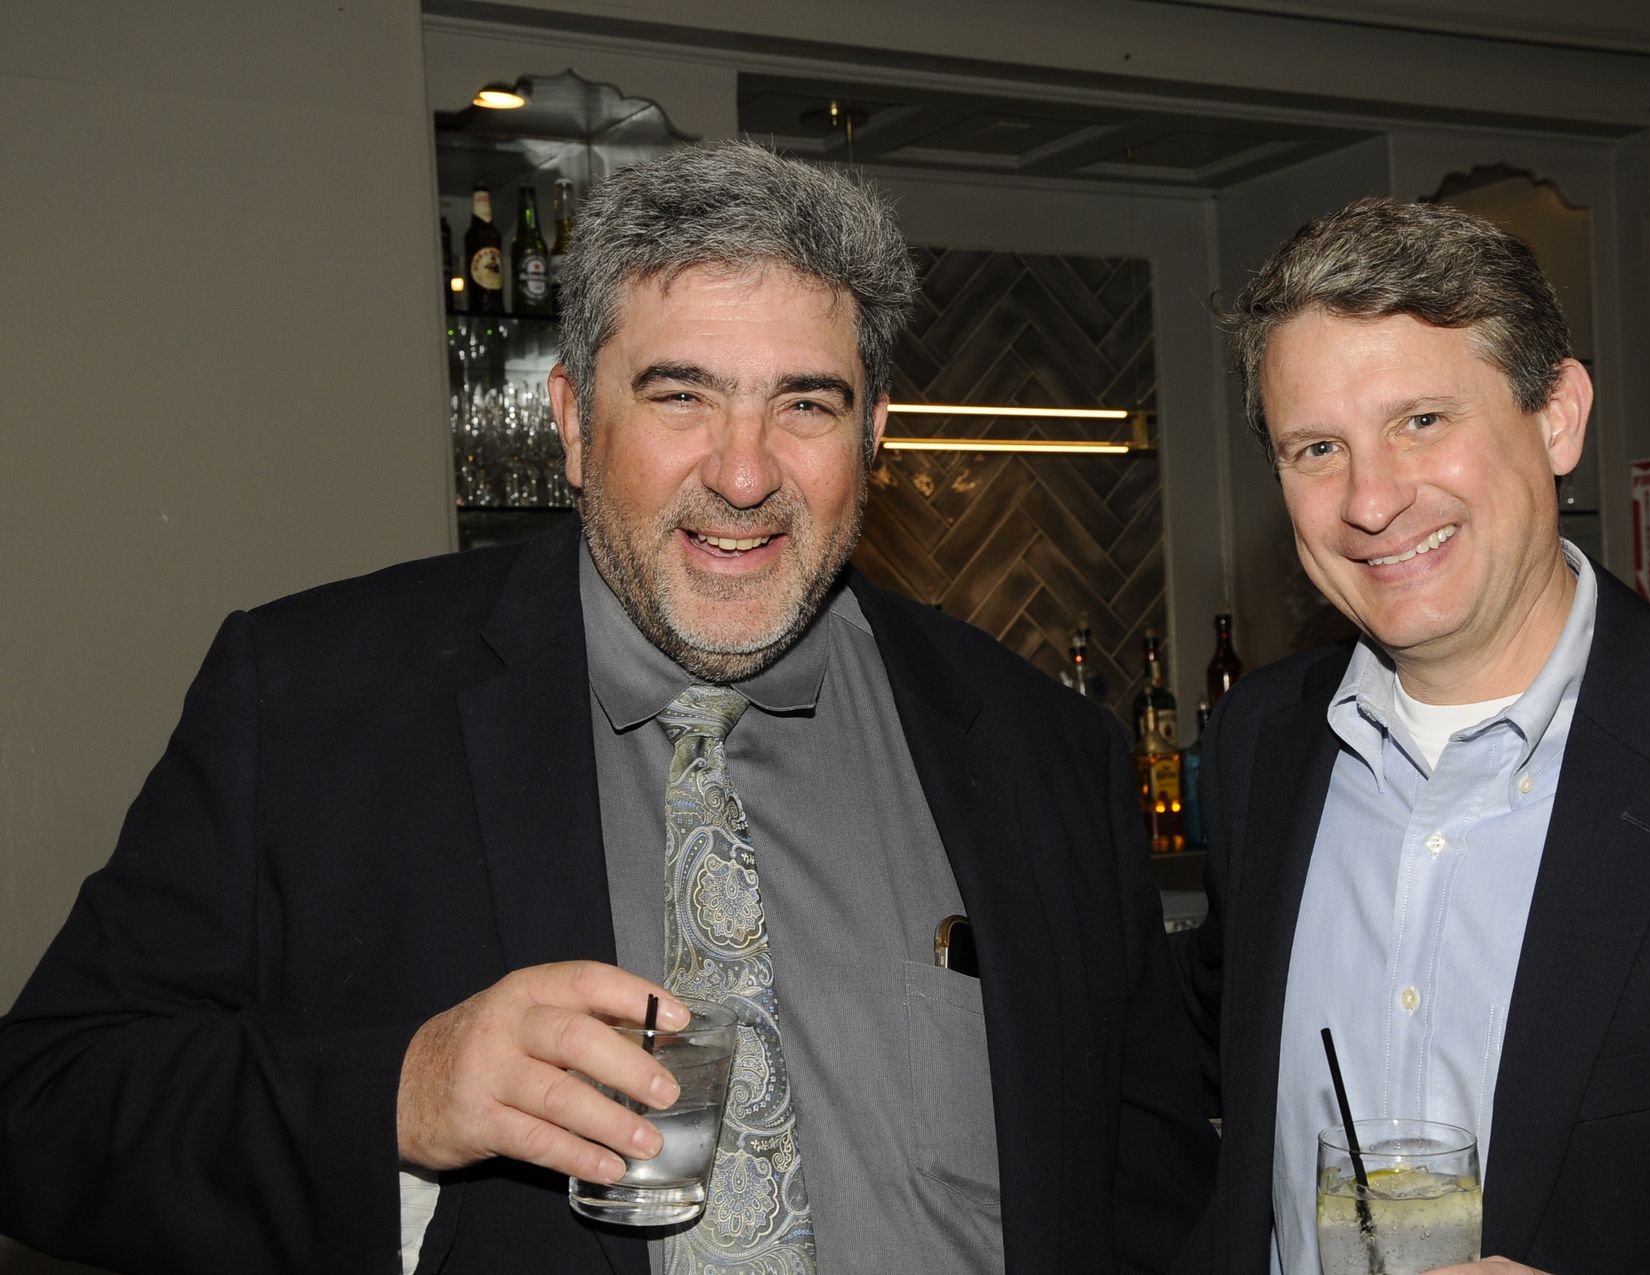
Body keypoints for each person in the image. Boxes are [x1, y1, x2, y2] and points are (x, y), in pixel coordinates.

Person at [0, 142, 1216, 1274]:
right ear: (576, 423)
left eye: (806, 404)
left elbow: (1148, 1189)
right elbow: (45, 1106)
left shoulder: (1043, 753)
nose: (744, 473)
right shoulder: (314, 701)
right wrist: (402, 1093)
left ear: (875, 436)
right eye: (680, 396)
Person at [1174, 197, 1650, 1274]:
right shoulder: (1263, 746)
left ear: (1559, 417)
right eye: (1317, 447)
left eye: (1422, 421)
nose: (1371, 501)